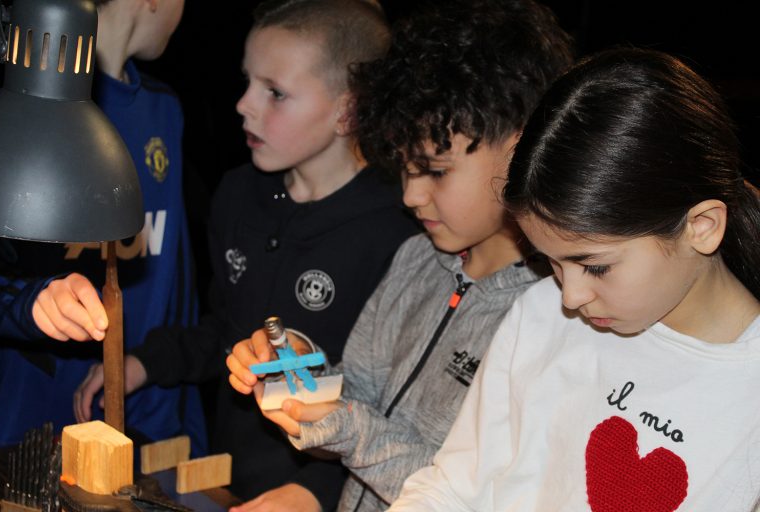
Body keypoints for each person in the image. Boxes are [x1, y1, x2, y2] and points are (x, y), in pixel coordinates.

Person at [225, 1, 573, 510]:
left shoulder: (557, 311)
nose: (410, 195)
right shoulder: (416, 259)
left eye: (435, 171)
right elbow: (354, 410)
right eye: (404, 169)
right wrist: (301, 377)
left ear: (523, 149)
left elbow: (470, 494)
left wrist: (344, 425)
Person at [74, 0, 418, 510]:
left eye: (275, 93)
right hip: (227, 479)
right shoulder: (237, 195)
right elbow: (226, 330)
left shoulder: (399, 232)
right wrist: (144, 361)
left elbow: (389, 408)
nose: (244, 105)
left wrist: (316, 491)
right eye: (248, 82)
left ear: (349, 110)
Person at [388, 47, 760, 511]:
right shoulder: (540, 313)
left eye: (596, 265)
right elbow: (453, 486)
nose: (571, 296)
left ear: (700, 226)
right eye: (552, 262)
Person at [0, 0, 208, 458]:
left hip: (139, 407)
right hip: (25, 418)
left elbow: (176, 280)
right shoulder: (19, 110)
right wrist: (31, 302)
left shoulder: (164, 110)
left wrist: (180, 415)